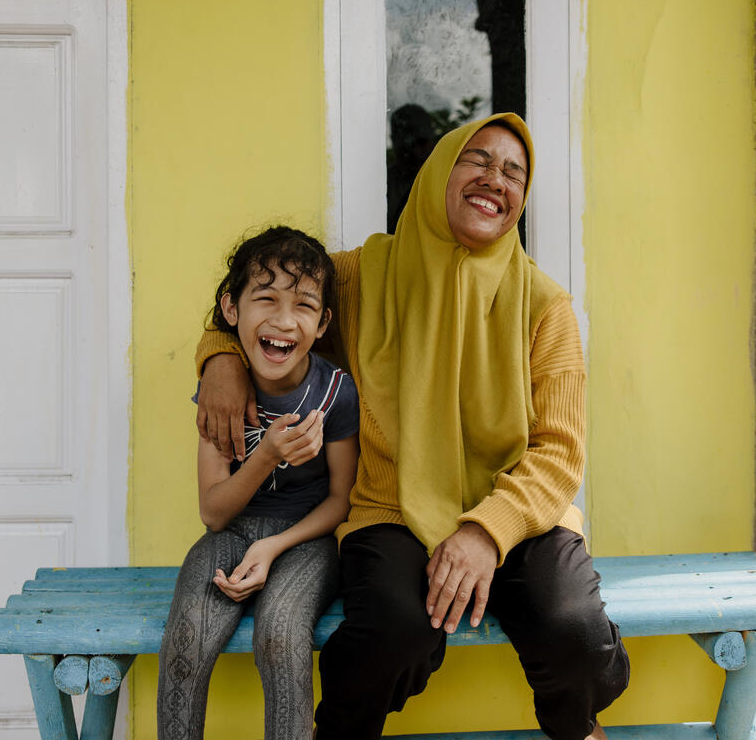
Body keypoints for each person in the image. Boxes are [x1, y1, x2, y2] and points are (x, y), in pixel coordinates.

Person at [195, 115, 629, 740]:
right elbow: (267, 300)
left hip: (515, 512)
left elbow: (560, 454)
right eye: (476, 160)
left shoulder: (545, 306)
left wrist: (486, 531)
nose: (494, 180)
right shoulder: (361, 277)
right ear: (436, 174)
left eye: (514, 172)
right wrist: (222, 361)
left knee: (574, 633)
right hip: (392, 507)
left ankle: (578, 727)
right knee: (392, 632)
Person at [158, 227, 360, 740]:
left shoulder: (335, 393)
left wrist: (273, 546)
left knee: (281, 632)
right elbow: (214, 513)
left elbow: (341, 501)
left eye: (303, 305)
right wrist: (265, 454)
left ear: (323, 322)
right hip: (231, 534)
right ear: (231, 309)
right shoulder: (219, 392)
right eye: (265, 298)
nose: (283, 320)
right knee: (188, 635)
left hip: (307, 541)